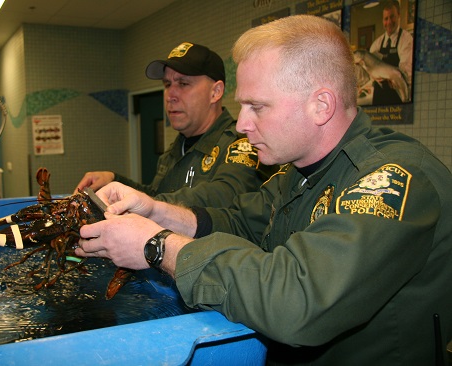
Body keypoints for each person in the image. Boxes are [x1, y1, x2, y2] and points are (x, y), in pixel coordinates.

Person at [75, 15, 452, 365]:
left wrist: (158, 246)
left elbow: (298, 300)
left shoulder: (395, 179)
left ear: (321, 105)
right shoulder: (299, 172)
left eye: (257, 106)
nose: (240, 125)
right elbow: (241, 221)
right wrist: (155, 212)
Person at [75, 42, 272, 208]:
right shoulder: (175, 150)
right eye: (167, 84)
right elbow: (156, 193)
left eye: (183, 84)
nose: (171, 95)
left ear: (216, 91)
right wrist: (114, 180)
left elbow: (224, 197)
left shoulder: (242, 145)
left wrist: (147, 206)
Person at [369, 0, 414, 105]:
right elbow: (370, 73)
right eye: (386, 18)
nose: (389, 22)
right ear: (382, 20)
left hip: (396, 99)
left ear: (398, 15)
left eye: (392, 17)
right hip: (378, 100)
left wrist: (394, 80)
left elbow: (406, 71)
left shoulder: (406, 39)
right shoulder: (376, 44)